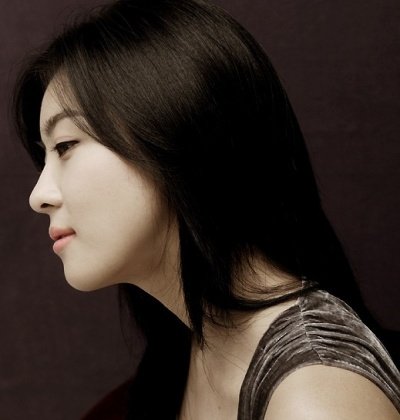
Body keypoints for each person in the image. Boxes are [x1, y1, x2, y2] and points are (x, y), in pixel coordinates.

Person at [12, 0, 400, 418]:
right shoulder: (185, 350)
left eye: (65, 145)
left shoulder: (315, 400)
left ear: (176, 131)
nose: (39, 195)